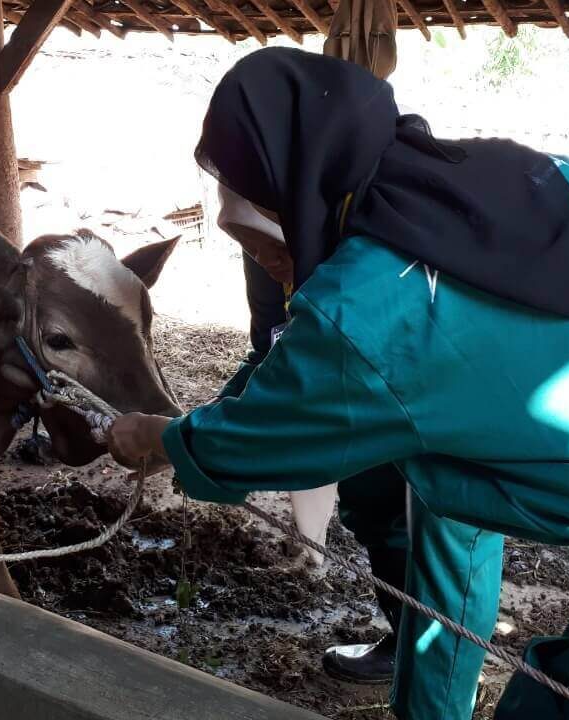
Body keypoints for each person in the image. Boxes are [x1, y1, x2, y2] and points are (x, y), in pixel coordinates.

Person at [110, 47, 569, 720]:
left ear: (296, 191)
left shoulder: (370, 306)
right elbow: (322, 368)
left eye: (260, 245)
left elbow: (243, 448)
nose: (274, 269)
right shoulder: (525, 182)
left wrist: (153, 435)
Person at [216, 182, 409, 685]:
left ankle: (424, 648)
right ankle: (410, 636)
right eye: (250, 247)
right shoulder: (267, 255)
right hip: (358, 384)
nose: (266, 260)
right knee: (369, 503)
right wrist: (211, 420)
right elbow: (273, 346)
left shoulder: (372, 243)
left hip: (400, 393)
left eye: (275, 248)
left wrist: (216, 444)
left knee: (394, 505)